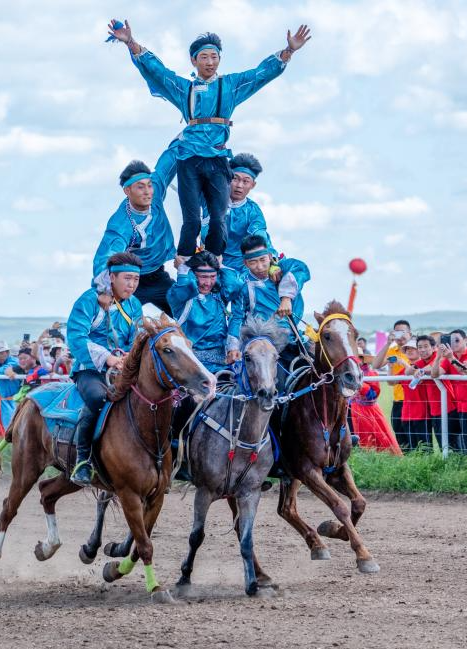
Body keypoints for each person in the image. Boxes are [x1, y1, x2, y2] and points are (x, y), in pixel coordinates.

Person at [108, 20, 311, 266]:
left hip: (216, 158)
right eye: (203, 57)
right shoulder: (185, 89)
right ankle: (183, 261)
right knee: (192, 220)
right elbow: (158, 71)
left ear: (219, 59)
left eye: (214, 56)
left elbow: (260, 74)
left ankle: (215, 262)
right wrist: (131, 42)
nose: (210, 62)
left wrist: (287, 52)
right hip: (189, 159)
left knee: (218, 218)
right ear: (194, 61)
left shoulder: (231, 86)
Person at [67, 251, 144, 486]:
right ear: (112, 277)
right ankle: (83, 459)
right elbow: (76, 336)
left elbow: (137, 337)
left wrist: (131, 356)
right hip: (90, 369)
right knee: (100, 398)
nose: (131, 285)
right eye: (127, 278)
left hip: (124, 370)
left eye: (136, 280)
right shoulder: (89, 300)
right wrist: (108, 358)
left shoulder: (134, 305)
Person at [92, 147, 179, 315]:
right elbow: (105, 255)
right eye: (140, 187)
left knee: (185, 313)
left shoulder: (156, 192)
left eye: (149, 185)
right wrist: (103, 290)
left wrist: (189, 133)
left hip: (159, 277)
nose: (147, 192)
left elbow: (168, 163)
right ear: (127, 191)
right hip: (131, 281)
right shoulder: (120, 224)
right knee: (114, 322)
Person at [227, 234, 310, 373]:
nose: (259, 267)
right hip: (264, 345)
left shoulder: (283, 268)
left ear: (270, 257)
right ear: (245, 263)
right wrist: (233, 347)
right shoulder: (242, 284)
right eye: (253, 262)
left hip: (293, 339)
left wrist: (286, 298)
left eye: (263, 260)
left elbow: (302, 269)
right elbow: (237, 318)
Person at [165, 250, 242, 373]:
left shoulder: (219, 296)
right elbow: (185, 286)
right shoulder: (179, 297)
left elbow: (236, 284)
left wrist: (219, 265)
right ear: (193, 275)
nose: (208, 283)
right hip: (190, 366)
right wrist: (183, 268)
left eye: (212, 277)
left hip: (221, 365)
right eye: (203, 277)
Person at [200, 153, 277, 271]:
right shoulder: (209, 199)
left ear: (253, 185)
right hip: (209, 264)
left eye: (246, 181)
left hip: (240, 269)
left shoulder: (253, 211)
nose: (239, 186)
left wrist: (273, 261)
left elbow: (260, 237)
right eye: (235, 179)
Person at [431, 329, 467, 452]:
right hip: (462, 407)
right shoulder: (449, 358)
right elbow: (434, 374)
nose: (454, 343)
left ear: (465, 340)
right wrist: (438, 356)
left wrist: (451, 358)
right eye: (451, 340)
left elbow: (466, 372)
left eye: (457, 340)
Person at [373, 320, 413, 452]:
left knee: (416, 438)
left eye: (403, 332)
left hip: (415, 401)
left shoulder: (417, 349)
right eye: (397, 332)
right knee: (401, 437)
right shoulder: (392, 350)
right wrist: (388, 343)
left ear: (410, 333)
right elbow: (376, 365)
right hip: (398, 400)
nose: (400, 336)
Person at [349, 355, 402, 455]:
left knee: (378, 433)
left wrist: (361, 385)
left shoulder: (371, 374)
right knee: (359, 434)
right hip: (355, 409)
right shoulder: (351, 372)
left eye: (359, 357)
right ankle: (365, 455)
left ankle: (382, 455)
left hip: (369, 409)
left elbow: (373, 395)